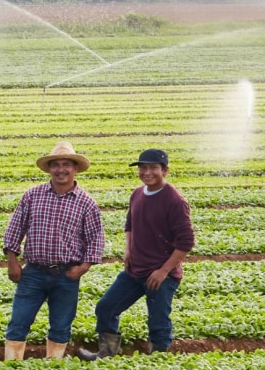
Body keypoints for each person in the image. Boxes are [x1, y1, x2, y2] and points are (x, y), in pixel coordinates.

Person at [82, 149, 196, 358]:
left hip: (161, 274)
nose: (147, 172)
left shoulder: (174, 200)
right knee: (106, 307)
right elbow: (130, 225)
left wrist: (163, 271)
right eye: (143, 168)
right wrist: (128, 250)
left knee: (158, 321)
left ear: (165, 170)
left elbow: (186, 242)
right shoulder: (137, 193)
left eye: (153, 168)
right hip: (135, 270)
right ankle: (106, 352)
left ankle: (158, 361)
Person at [1, 142, 104, 361]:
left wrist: (83, 267)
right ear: (49, 169)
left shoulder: (86, 202)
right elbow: (15, 227)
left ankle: (53, 366)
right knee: (19, 321)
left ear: (75, 168)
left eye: (66, 164)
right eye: (55, 164)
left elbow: (95, 239)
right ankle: (12, 366)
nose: (61, 169)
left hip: (66, 274)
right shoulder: (33, 196)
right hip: (33, 272)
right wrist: (12, 260)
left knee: (61, 324)